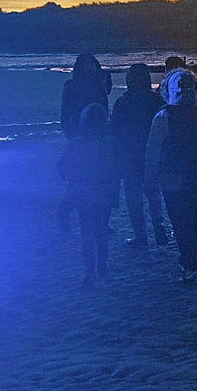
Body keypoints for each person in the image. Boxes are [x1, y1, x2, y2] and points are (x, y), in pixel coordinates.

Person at [145, 68, 197, 282]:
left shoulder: (163, 116)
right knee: (196, 218)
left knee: (179, 220)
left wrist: (150, 176)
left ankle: (189, 260)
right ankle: (192, 258)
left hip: (172, 179)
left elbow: (153, 149)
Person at [57, 103, 119, 286]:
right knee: (102, 230)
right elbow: (116, 170)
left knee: (87, 233)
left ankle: (90, 269)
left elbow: (62, 168)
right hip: (104, 194)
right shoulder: (110, 144)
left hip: (84, 195)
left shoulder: (76, 144)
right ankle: (102, 264)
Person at [110, 63, 167, 247]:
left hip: (129, 155)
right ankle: (159, 225)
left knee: (134, 197)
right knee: (153, 192)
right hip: (152, 153)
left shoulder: (123, 102)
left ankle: (141, 235)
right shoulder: (156, 100)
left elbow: (115, 130)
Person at [57, 54, 112, 231]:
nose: (90, 66)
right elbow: (65, 114)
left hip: (99, 135)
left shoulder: (99, 83)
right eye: (86, 63)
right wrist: (72, 137)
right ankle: (65, 210)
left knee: (95, 179)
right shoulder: (72, 86)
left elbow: (105, 103)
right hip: (80, 136)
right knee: (80, 179)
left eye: (92, 63)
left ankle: (95, 219)